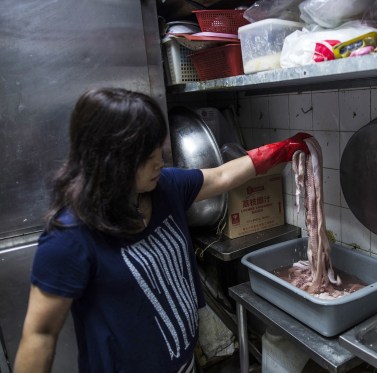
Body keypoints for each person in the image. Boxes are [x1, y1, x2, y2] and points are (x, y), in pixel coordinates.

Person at [14, 87, 310, 373]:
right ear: (109, 160)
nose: (159, 160)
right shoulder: (70, 237)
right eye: (146, 155)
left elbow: (220, 176)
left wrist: (280, 150)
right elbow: (40, 334)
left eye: (158, 147)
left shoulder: (164, 187)